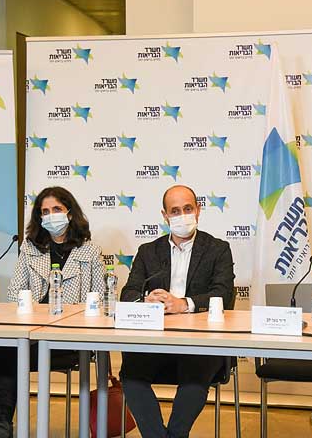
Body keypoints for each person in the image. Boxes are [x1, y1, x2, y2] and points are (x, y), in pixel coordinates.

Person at [0, 186, 105, 438]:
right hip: (31, 333)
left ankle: (2, 423)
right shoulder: (30, 248)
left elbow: (100, 300)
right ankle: (1, 424)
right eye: (45, 212)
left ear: (69, 213)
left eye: (57, 209)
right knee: (0, 347)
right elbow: (14, 294)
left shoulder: (90, 251)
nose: (51, 216)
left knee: (6, 352)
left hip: (70, 337)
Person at [119, 184, 235, 438]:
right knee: (130, 374)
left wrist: (184, 304)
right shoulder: (148, 252)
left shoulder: (218, 249)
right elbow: (128, 293)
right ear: (165, 216)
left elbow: (224, 295)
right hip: (156, 342)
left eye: (187, 208)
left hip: (200, 344)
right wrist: (146, 300)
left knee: (195, 375)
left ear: (198, 210)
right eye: (175, 211)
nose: (182, 215)